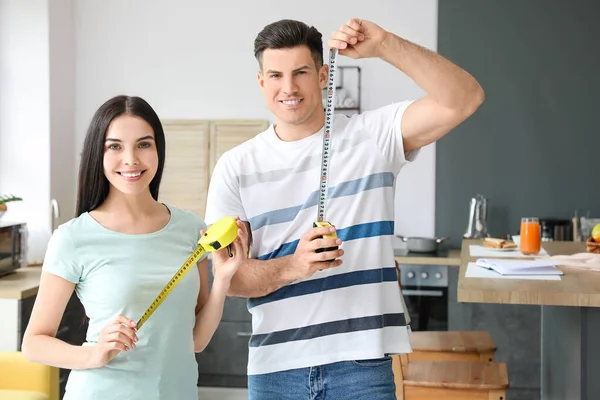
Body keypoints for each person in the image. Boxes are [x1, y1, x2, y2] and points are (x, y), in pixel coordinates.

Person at [205, 18, 484, 399]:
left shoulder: (374, 137)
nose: (288, 88)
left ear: (323, 75)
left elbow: (464, 97)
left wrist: (385, 45)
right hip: (275, 371)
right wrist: (294, 265)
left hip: (362, 368)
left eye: (301, 72)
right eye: (275, 75)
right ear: (261, 82)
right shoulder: (235, 167)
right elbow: (230, 279)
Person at [21, 95, 247, 400]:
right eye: (114, 146)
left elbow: (195, 340)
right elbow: (34, 343)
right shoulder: (73, 238)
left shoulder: (192, 230)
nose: (131, 159)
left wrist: (223, 279)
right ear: (97, 154)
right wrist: (95, 354)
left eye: (144, 144)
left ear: (158, 150)